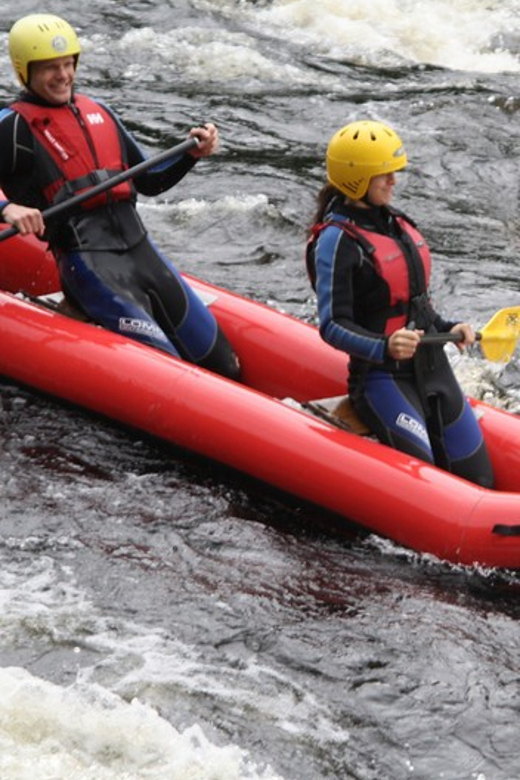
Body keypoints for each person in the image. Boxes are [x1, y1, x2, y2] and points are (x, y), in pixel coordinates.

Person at [0, 13, 240, 381]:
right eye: (50, 68)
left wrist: (190, 154)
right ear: (24, 71)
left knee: (225, 365)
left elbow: (150, 181)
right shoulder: (12, 126)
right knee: (170, 372)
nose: (63, 75)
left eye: (68, 64)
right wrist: (8, 208)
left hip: (143, 253)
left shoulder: (98, 111)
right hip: (90, 265)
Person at [306, 119, 494, 488]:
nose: (393, 181)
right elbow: (332, 324)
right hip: (382, 379)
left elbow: (418, 308)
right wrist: (384, 346)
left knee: (481, 479)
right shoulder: (337, 241)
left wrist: (448, 328)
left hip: (434, 371)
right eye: (384, 174)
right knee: (424, 481)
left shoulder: (397, 225)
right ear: (356, 179)